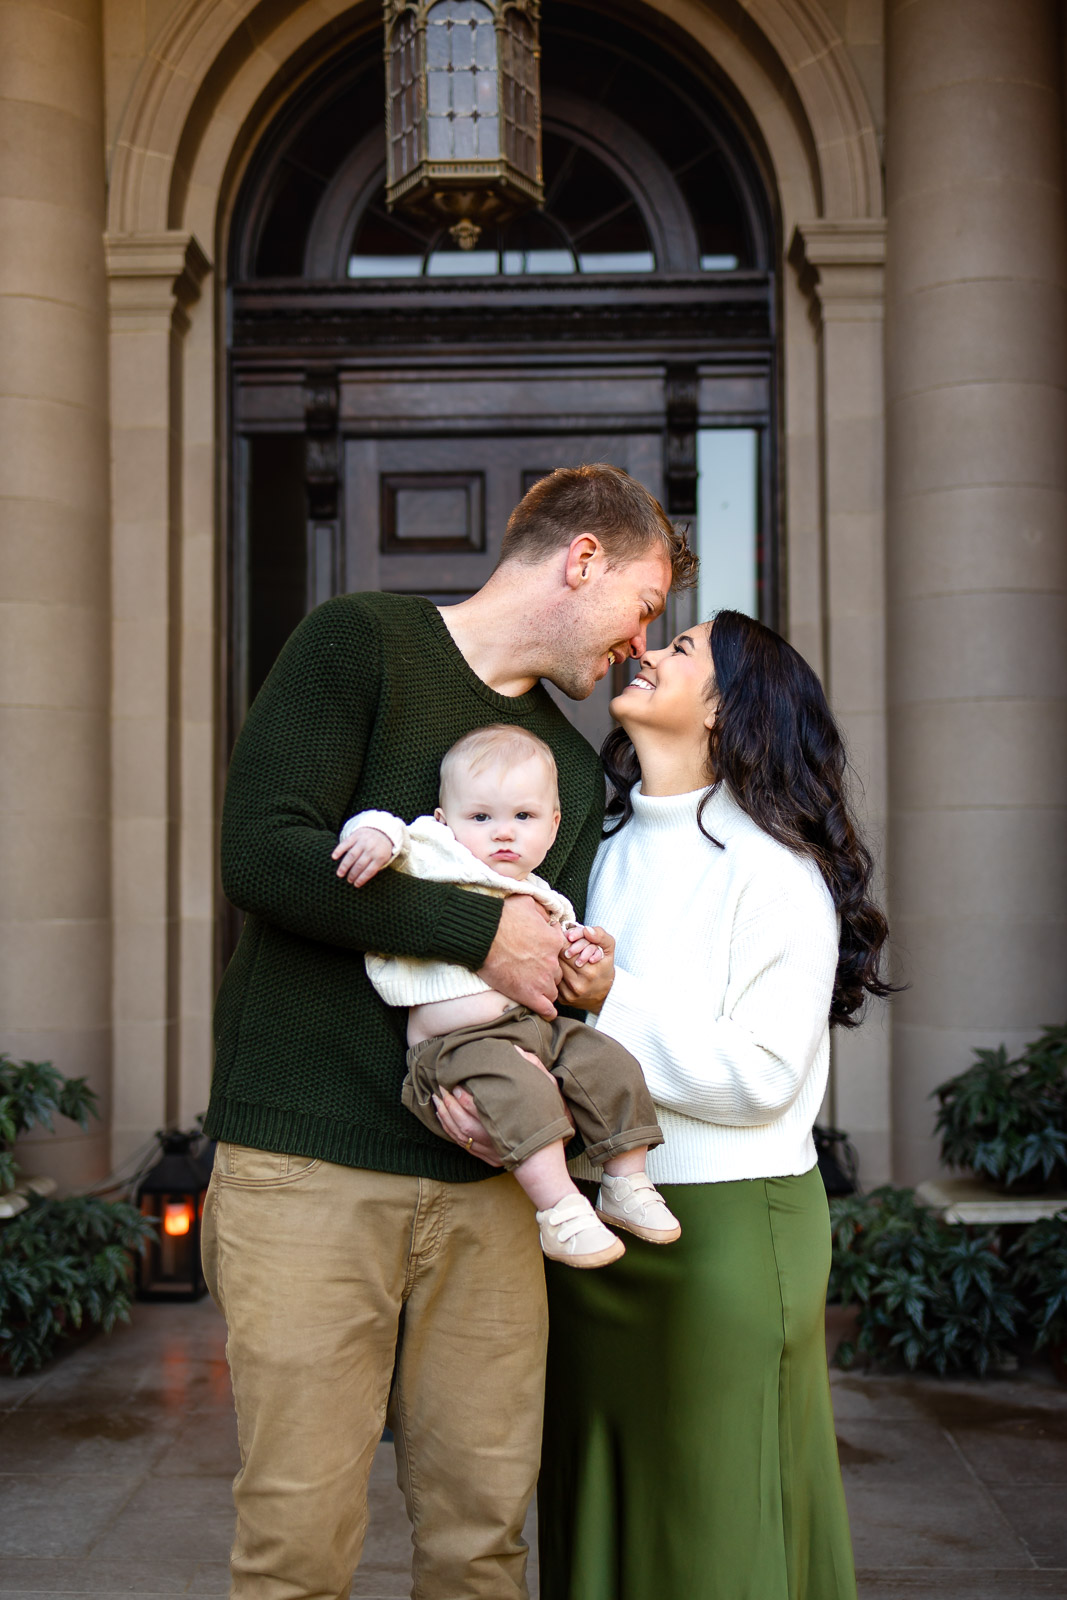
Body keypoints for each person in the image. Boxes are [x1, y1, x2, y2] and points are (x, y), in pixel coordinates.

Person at [199, 462, 696, 1600]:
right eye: (641, 602)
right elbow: (263, 853)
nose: (637, 639)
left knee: (482, 1541)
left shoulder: (567, 765)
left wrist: (570, 988)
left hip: (488, 1195)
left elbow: (535, 981)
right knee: (296, 1542)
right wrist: (475, 935)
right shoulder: (357, 643)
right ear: (584, 560)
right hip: (309, 1166)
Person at [437, 610, 893, 1600]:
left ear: (729, 709)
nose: (645, 652)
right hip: (590, 1231)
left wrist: (615, 1000)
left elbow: (765, 1075)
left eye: (681, 649)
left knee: (713, 1514)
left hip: (722, 1233)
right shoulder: (581, 844)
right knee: (598, 1497)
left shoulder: (776, 872)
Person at [333, 722, 681, 1268]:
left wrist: (581, 952)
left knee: (606, 1059)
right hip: (454, 1050)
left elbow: (556, 962)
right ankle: (561, 1211)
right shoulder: (437, 855)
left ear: (553, 826)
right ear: (446, 822)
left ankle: (626, 1180)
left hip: (537, 1030)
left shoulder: (542, 893)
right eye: (481, 817)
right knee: (519, 1088)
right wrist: (376, 835)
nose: (502, 833)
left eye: (523, 817)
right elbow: (395, 832)